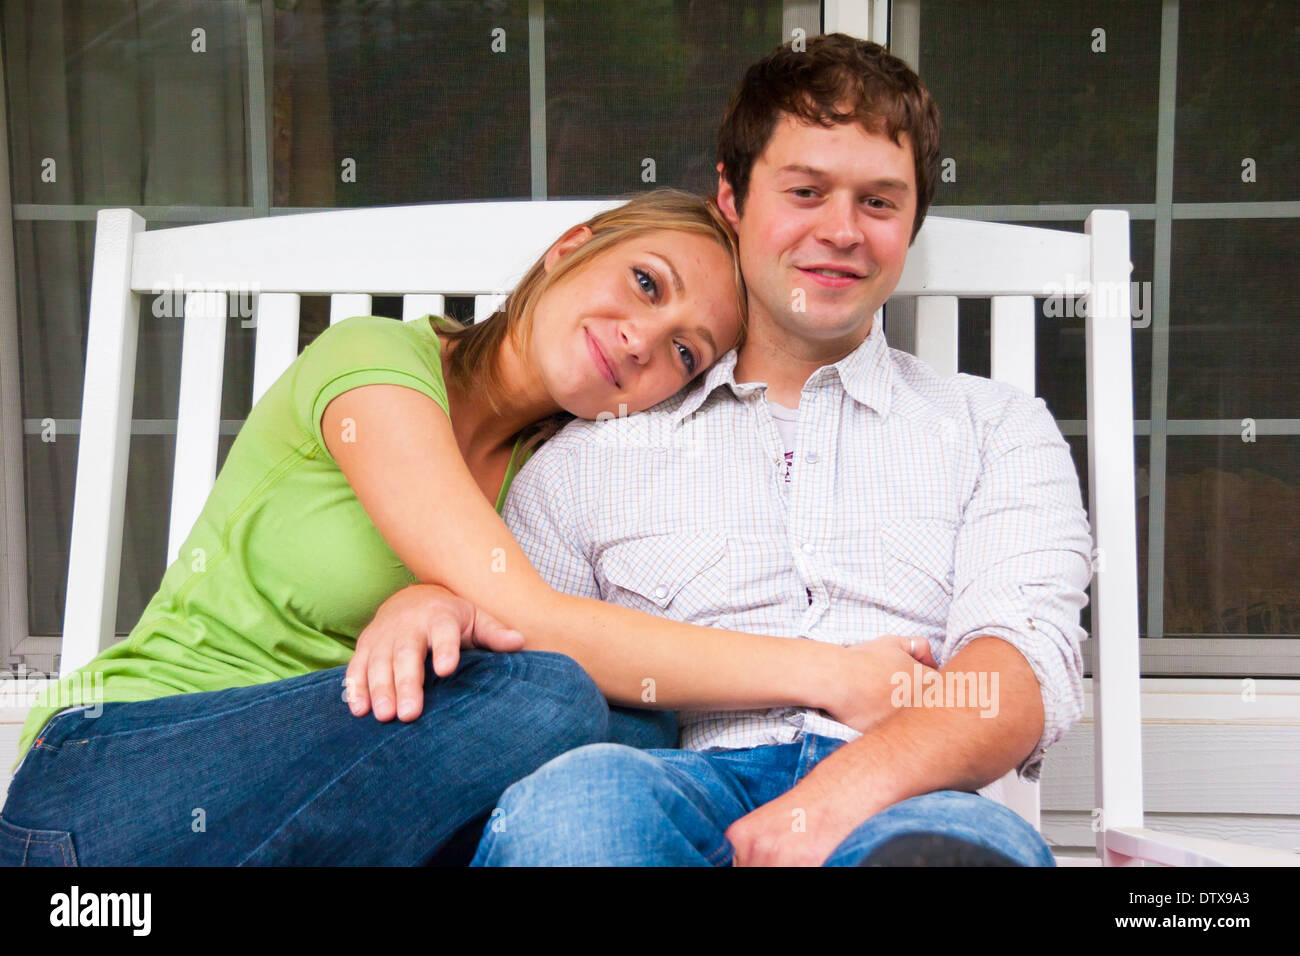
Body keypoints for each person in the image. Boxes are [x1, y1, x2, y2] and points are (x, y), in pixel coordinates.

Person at [0, 188, 933, 867]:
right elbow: (536, 630)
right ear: (570, 247)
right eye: (647, 284)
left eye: (685, 354)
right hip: (114, 782)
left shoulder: (557, 480)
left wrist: (433, 599)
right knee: (556, 701)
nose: (647, 339)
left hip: (325, 811)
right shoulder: (375, 362)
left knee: (632, 743)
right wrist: (835, 674)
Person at [466, 34, 1094, 866]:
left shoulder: (994, 428)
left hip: (908, 797)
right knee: (572, 815)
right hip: (666, 792)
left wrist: (837, 797)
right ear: (731, 199)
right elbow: (526, 680)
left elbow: (1017, 679)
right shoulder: (589, 459)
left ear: (911, 225)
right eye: (805, 191)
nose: (841, 231)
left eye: (879, 203)